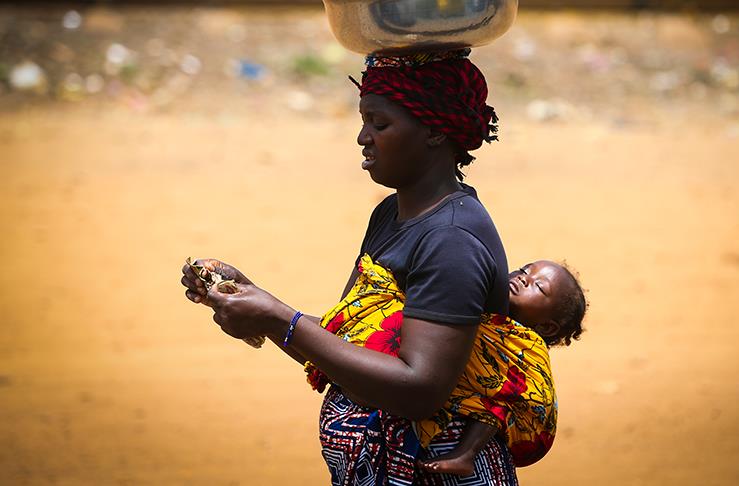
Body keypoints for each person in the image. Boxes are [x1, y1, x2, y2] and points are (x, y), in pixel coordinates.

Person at [181, 49, 523, 485]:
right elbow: (343, 348)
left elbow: (419, 388)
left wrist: (277, 317)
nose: (363, 137)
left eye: (380, 124)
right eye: (364, 121)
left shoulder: (451, 240)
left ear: (435, 130)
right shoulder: (391, 215)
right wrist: (250, 299)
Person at [418, 260, 587, 477]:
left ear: (545, 326)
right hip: (485, 401)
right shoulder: (488, 316)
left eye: (539, 286)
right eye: (524, 270)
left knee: (501, 400)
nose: (524, 278)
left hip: (527, 419)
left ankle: (465, 455)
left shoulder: (527, 345)